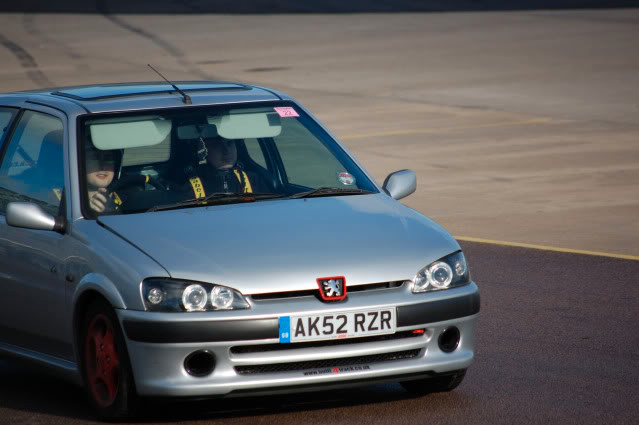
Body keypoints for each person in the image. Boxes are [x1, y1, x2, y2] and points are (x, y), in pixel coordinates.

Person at [186, 136, 269, 198]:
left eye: (229, 143)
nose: (226, 151)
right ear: (203, 151)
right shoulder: (187, 186)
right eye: (217, 145)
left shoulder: (254, 180)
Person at [85, 144, 123, 213]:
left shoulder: (122, 196)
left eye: (108, 159)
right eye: (94, 158)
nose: (102, 166)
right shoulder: (69, 202)